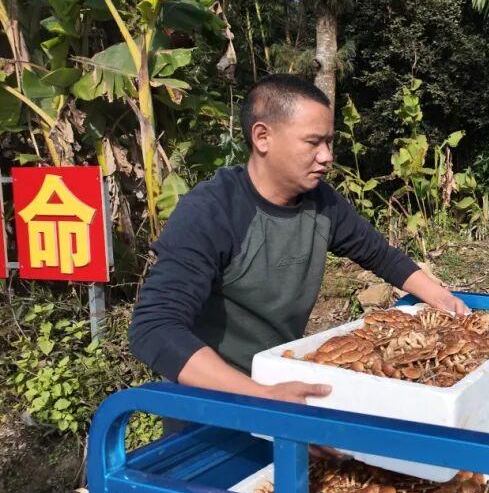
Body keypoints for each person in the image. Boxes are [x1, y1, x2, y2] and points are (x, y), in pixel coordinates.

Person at [129, 74, 466, 430]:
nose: (327, 157)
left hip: (281, 390)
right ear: (263, 137)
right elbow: (154, 328)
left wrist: (444, 300)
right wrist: (259, 396)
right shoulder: (213, 211)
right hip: (213, 408)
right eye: (313, 142)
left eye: (329, 142)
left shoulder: (322, 204)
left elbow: (380, 255)